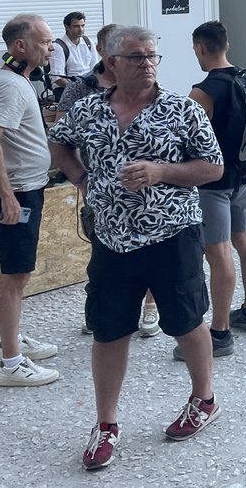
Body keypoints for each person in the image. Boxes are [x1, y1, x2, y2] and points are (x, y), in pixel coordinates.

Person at [48, 25, 225, 470]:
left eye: (152, 56)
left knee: (186, 321)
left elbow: (213, 167)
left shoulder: (182, 110)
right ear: (110, 63)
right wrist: (83, 180)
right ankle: (105, 424)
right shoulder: (89, 110)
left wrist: (162, 171)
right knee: (109, 330)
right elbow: (59, 142)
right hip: (111, 240)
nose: (147, 63)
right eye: (136, 57)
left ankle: (204, 399)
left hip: (172, 236)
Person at [59, 23, 162, 338]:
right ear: (103, 52)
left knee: (149, 250)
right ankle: (101, 311)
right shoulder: (81, 88)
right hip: (98, 190)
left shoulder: (144, 83)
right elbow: (62, 133)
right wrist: (80, 178)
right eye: (108, 47)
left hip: (142, 190)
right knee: (102, 254)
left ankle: (149, 309)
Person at [0, 14, 60, 387]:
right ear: (20, 46)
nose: (51, 48)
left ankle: (12, 338)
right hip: (18, 192)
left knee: (19, 272)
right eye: (44, 42)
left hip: (25, 187)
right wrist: (8, 198)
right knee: (15, 275)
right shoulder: (9, 85)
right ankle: (12, 363)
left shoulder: (16, 80)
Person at [180, 20, 246, 363]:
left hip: (212, 182)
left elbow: (183, 139)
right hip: (244, 173)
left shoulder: (203, 92)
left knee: (217, 253)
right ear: (226, 44)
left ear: (201, 48)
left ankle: (219, 332)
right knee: (244, 240)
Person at [50, 11, 95, 98]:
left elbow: (95, 69)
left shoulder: (88, 42)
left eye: (82, 25)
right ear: (67, 27)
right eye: (76, 26)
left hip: (87, 88)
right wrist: (77, 90)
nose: (81, 29)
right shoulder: (58, 47)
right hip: (65, 89)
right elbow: (57, 78)